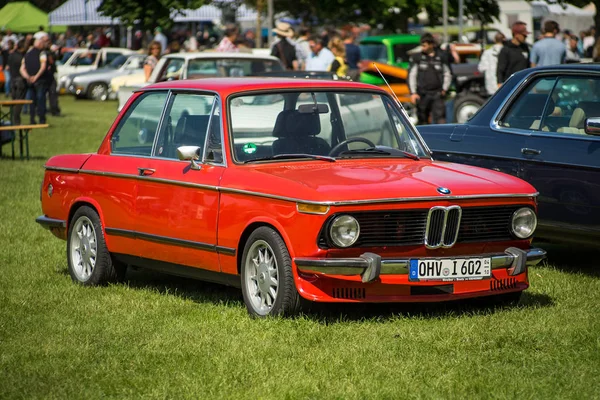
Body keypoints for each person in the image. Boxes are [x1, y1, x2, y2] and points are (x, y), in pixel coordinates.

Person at [408, 33, 452, 125]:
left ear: (431, 44)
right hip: (422, 94)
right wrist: (413, 93)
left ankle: (440, 138)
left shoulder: (441, 57)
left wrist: (444, 89)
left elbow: (447, 73)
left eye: (424, 45)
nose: (422, 47)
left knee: (440, 120)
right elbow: (412, 75)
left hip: (438, 94)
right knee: (422, 120)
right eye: (421, 45)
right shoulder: (417, 58)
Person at [20, 34, 51, 124]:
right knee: (41, 99)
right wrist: (36, 77)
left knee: (32, 101)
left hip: (30, 81)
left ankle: (32, 119)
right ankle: (42, 119)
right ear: (39, 44)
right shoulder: (42, 54)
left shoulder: (27, 55)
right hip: (40, 80)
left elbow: (22, 69)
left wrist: (28, 77)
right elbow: (43, 66)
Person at [497, 21, 531, 87]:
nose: (526, 36)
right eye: (524, 35)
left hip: (524, 83)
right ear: (516, 35)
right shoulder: (506, 49)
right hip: (510, 84)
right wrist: (499, 83)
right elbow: (500, 69)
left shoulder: (525, 48)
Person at [478, 32, 505, 96]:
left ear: (494, 40)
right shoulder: (508, 52)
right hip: (505, 84)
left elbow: (481, 68)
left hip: (491, 86)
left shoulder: (487, 52)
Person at [7, 40, 26, 124]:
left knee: (14, 101)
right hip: (20, 81)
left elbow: (7, 67)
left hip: (12, 80)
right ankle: (16, 121)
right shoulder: (22, 57)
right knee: (19, 102)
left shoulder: (11, 55)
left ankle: (12, 120)